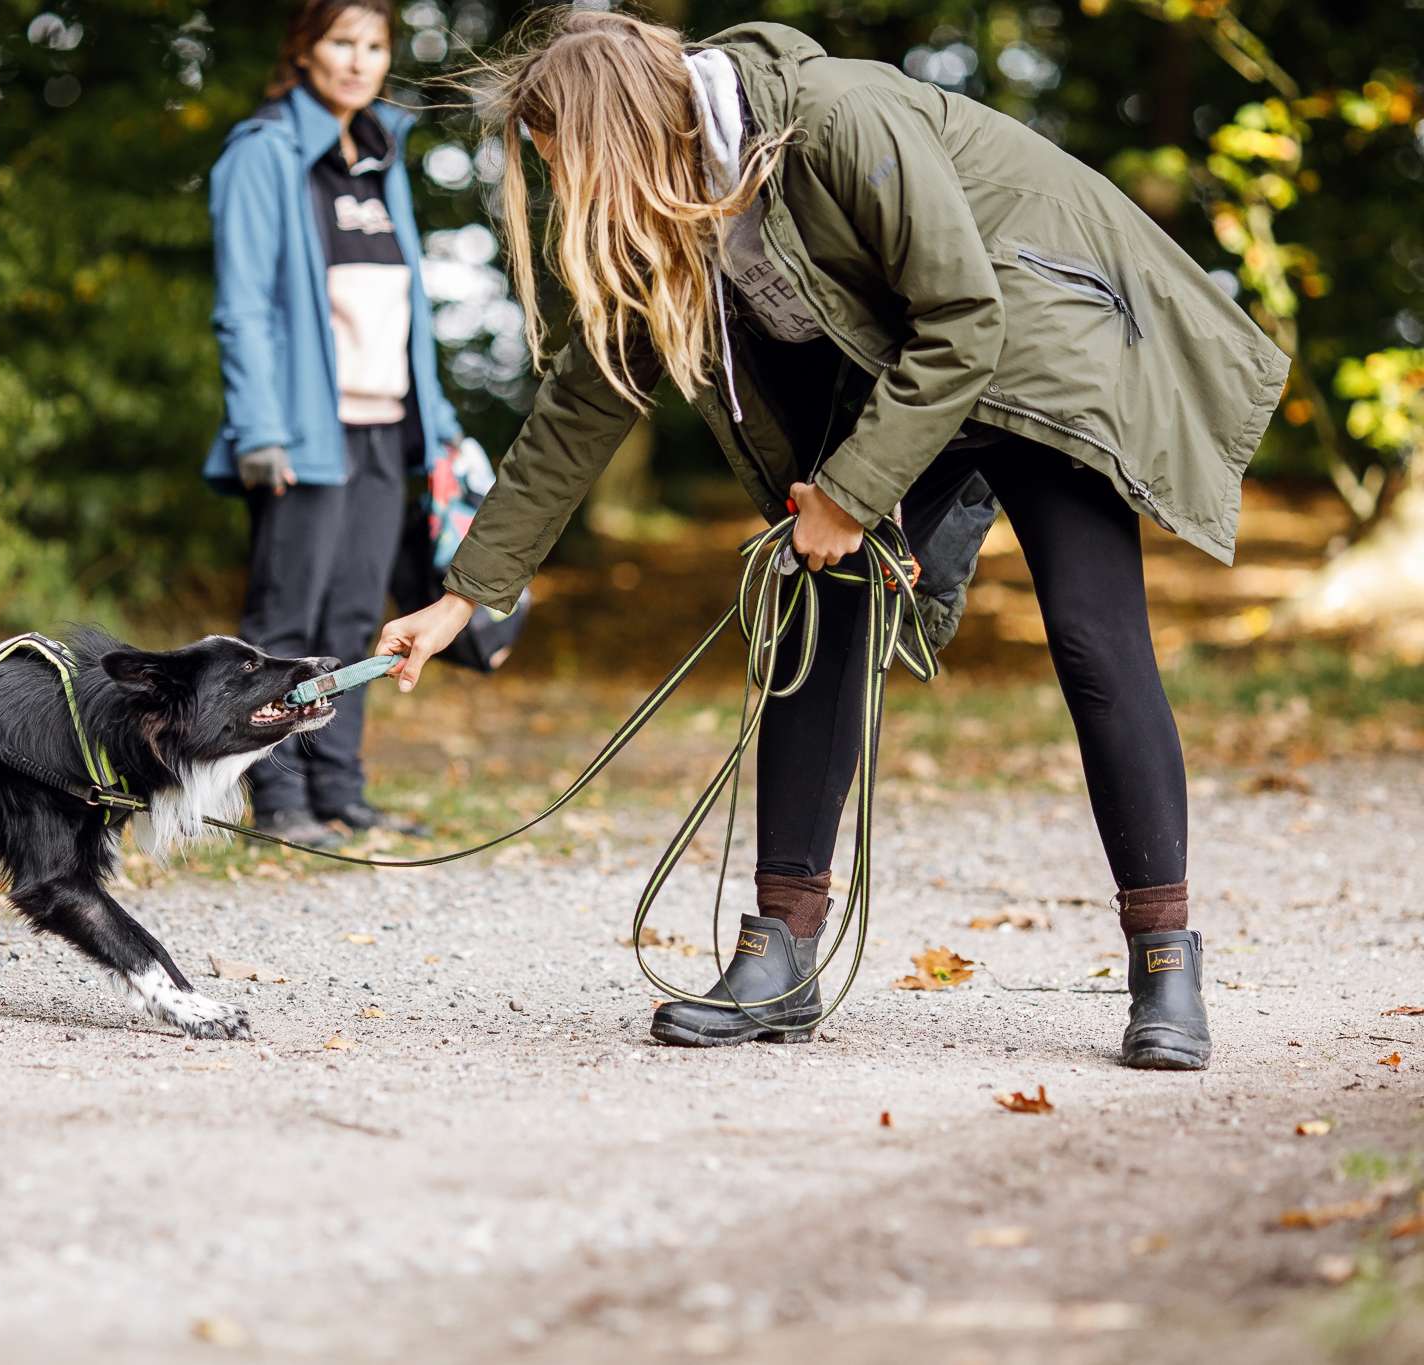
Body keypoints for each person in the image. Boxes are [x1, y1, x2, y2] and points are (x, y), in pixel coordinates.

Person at [376, 10, 1289, 1069]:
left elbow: (963, 317)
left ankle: (1163, 965)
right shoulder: (673, 198)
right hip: (905, 373)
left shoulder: (838, 119)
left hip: (1039, 342)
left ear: (619, 133)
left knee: (1092, 642)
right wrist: (464, 595)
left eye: (567, 165)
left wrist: (850, 498)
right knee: (814, 618)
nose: (569, 195)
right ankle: (779, 956)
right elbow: (590, 398)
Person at [203, 0, 467, 849]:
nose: (358, 60)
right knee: (283, 626)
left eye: (374, 44)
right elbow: (242, 305)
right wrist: (258, 429)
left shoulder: (384, 151)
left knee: (357, 620)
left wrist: (443, 425)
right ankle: (275, 800)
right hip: (302, 432)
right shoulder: (263, 153)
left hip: (386, 426)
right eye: (340, 42)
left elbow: (405, 305)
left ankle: (341, 792)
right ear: (305, 50)